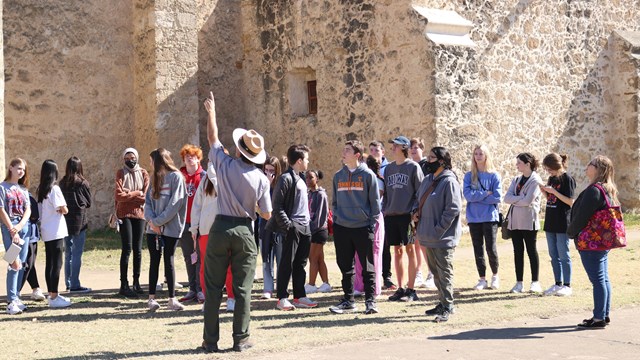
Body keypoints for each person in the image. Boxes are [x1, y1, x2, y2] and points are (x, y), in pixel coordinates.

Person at [201, 92, 272, 353]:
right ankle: (240, 339)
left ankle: (210, 342)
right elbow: (266, 214)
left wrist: (212, 112)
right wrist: (250, 206)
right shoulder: (262, 179)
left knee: (213, 289)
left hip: (220, 227)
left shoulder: (224, 163)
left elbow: (212, 138)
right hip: (245, 229)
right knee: (242, 289)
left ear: (240, 149)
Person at [567, 156, 619, 328]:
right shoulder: (606, 189)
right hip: (601, 242)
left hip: (591, 243)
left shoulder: (594, 190)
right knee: (602, 278)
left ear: (598, 169)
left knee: (598, 280)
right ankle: (603, 315)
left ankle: (598, 318)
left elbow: (582, 216)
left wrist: (571, 232)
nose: (587, 166)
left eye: (591, 164)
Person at [329, 140, 380, 315]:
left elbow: (375, 204)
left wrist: (371, 224)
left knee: (368, 267)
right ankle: (348, 300)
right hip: (342, 227)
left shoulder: (368, 176)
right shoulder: (338, 176)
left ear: (357, 155)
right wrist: (337, 219)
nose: (343, 153)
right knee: (345, 266)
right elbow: (334, 202)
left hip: (363, 227)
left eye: (347, 150)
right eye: (343, 149)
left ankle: (370, 301)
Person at [415, 147, 462, 323]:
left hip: (443, 237)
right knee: (435, 272)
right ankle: (441, 302)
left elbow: (453, 208)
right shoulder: (428, 179)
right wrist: (415, 212)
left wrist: (439, 229)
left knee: (445, 272)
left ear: (442, 161)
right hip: (428, 236)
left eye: (432, 157)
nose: (428, 161)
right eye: (428, 157)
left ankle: (448, 305)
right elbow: (418, 199)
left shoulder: (449, 182)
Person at [272, 144, 317, 311]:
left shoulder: (301, 177)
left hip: (305, 227)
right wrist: (288, 226)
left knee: (300, 263)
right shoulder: (285, 178)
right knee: (286, 263)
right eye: (306, 159)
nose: (308, 162)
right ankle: (282, 298)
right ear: (299, 161)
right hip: (293, 226)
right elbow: (277, 206)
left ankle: (300, 296)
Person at [144, 148, 187, 312]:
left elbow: (175, 204)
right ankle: (151, 299)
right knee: (154, 261)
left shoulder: (176, 177)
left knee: (168, 260)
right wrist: (151, 221)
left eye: (152, 160)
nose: (150, 164)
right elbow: (147, 202)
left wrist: (158, 221)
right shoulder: (154, 177)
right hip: (153, 228)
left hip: (171, 227)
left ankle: (172, 299)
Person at [383, 136, 424, 303]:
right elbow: (386, 192)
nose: (392, 147)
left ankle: (411, 289)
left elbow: (420, 192)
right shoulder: (389, 169)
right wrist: (385, 209)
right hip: (392, 215)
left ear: (404, 147)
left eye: (396, 145)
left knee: (410, 250)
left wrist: (415, 211)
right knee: (397, 251)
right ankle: (400, 288)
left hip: (407, 215)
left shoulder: (413, 167)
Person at [189, 161, 231, 311]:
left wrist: (214, 172)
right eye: (210, 161)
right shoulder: (205, 180)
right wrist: (194, 229)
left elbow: (222, 190)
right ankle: (209, 299)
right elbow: (197, 206)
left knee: (229, 266)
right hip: (206, 229)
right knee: (206, 268)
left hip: (225, 228)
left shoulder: (228, 177)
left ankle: (231, 298)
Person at [463, 145, 502, 290]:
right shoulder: (469, 176)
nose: (478, 156)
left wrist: (477, 197)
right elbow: (467, 196)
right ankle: (482, 279)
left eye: (481, 153)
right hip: (474, 218)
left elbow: (497, 197)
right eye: (476, 154)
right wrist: (485, 194)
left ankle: (495, 276)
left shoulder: (494, 176)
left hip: (489, 217)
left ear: (486, 156)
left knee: (491, 248)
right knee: (477, 249)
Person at [504, 153, 543, 293]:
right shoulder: (516, 179)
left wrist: (516, 199)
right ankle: (519, 282)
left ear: (528, 164)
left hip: (529, 221)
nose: (517, 165)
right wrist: (520, 198)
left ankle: (535, 282)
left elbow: (528, 201)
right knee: (517, 251)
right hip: (515, 221)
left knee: (531, 251)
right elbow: (506, 198)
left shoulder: (535, 180)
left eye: (519, 163)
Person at [115, 148, 150, 298]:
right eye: (127, 157)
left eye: (133, 157)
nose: (130, 160)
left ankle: (136, 282)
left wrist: (128, 193)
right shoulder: (120, 173)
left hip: (140, 214)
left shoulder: (143, 173)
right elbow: (119, 195)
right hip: (124, 214)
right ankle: (124, 284)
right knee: (127, 248)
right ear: (124, 159)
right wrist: (136, 193)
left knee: (138, 249)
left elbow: (146, 197)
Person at [540, 153, 575, 297]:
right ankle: (557, 283)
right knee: (553, 255)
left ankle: (567, 285)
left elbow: (570, 202)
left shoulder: (568, 179)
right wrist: (545, 193)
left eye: (550, 169)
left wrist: (553, 191)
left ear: (556, 166)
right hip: (550, 221)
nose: (549, 172)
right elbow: (552, 199)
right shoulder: (552, 179)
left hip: (562, 222)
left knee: (563, 255)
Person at [38, 159, 71, 308]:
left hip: (46, 230)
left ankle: (51, 294)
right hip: (56, 231)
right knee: (57, 264)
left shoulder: (41, 189)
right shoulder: (54, 189)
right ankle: (54, 295)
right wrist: (63, 209)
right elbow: (64, 209)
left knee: (50, 263)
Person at [1, 158, 32, 314]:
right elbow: (2, 210)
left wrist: (20, 226)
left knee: (22, 263)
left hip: (24, 228)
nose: (21, 172)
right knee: (14, 263)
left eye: (23, 169)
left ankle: (17, 297)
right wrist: (12, 228)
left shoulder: (23, 189)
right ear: (11, 168)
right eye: (19, 168)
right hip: (10, 229)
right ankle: (11, 301)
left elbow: (28, 210)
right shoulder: (2, 187)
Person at [178, 144, 206, 303]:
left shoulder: (204, 176)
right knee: (189, 257)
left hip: (200, 224)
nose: (190, 158)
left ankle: (201, 289)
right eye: (187, 156)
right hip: (184, 223)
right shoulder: (179, 176)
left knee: (200, 257)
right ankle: (192, 289)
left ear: (198, 158)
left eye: (193, 156)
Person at [353, 156, 385, 297]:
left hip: (373, 219)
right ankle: (359, 286)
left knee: (374, 253)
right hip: (359, 219)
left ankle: (374, 288)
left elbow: (374, 201)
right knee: (358, 254)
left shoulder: (377, 181)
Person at [60, 156, 92, 293]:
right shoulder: (83, 183)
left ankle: (68, 283)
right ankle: (75, 284)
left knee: (68, 253)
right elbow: (88, 202)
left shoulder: (62, 182)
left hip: (65, 221)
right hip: (79, 222)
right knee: (77, 253)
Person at [409, 137, 434, 289]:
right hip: (412, 209)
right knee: (415, 243)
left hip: (425, 208)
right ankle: (418, 273)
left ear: (422, 149)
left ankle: (431, 273)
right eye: (411, 147)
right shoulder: (409, 166)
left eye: (416, 147)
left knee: (425, 243)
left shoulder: (427, 165)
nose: (413, 150)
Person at [369, 140, 393, 289]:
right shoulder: (366, 169)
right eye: (371, 150)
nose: (373, 152)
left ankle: (387, 276)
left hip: (385, 212)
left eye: (376, 150)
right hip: (371, 214)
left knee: (385, 247)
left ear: (383, 152)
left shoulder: (388, 169)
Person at [259, 156, 283, 299]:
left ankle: (281, 287)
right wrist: (265, 185)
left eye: (272, 171)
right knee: (266, 260)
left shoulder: (281, 184)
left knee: (280, 260)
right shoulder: (261, 184)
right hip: (264, 227)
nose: (268, 173)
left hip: (279, 228)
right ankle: (267, 288)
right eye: (266, 170)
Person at [304, 170, 331, 294]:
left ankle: (311, 284)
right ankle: (326, 283)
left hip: (318, 230)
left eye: (311, 178)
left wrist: (311, 229)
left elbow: (320, 217)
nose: (308, 180)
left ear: (317, 179)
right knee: (319, 258)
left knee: (312, 258)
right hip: (312, 229)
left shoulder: (321, 195)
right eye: (307, 178)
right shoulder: (309, 194)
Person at [20, 193, 46, 301]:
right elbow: (35, 215)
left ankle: (36, 288)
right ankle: (15, 291)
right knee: (26, 264)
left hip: (13, 236)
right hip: (28, 237)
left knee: (23, 264)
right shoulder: (26, 196)